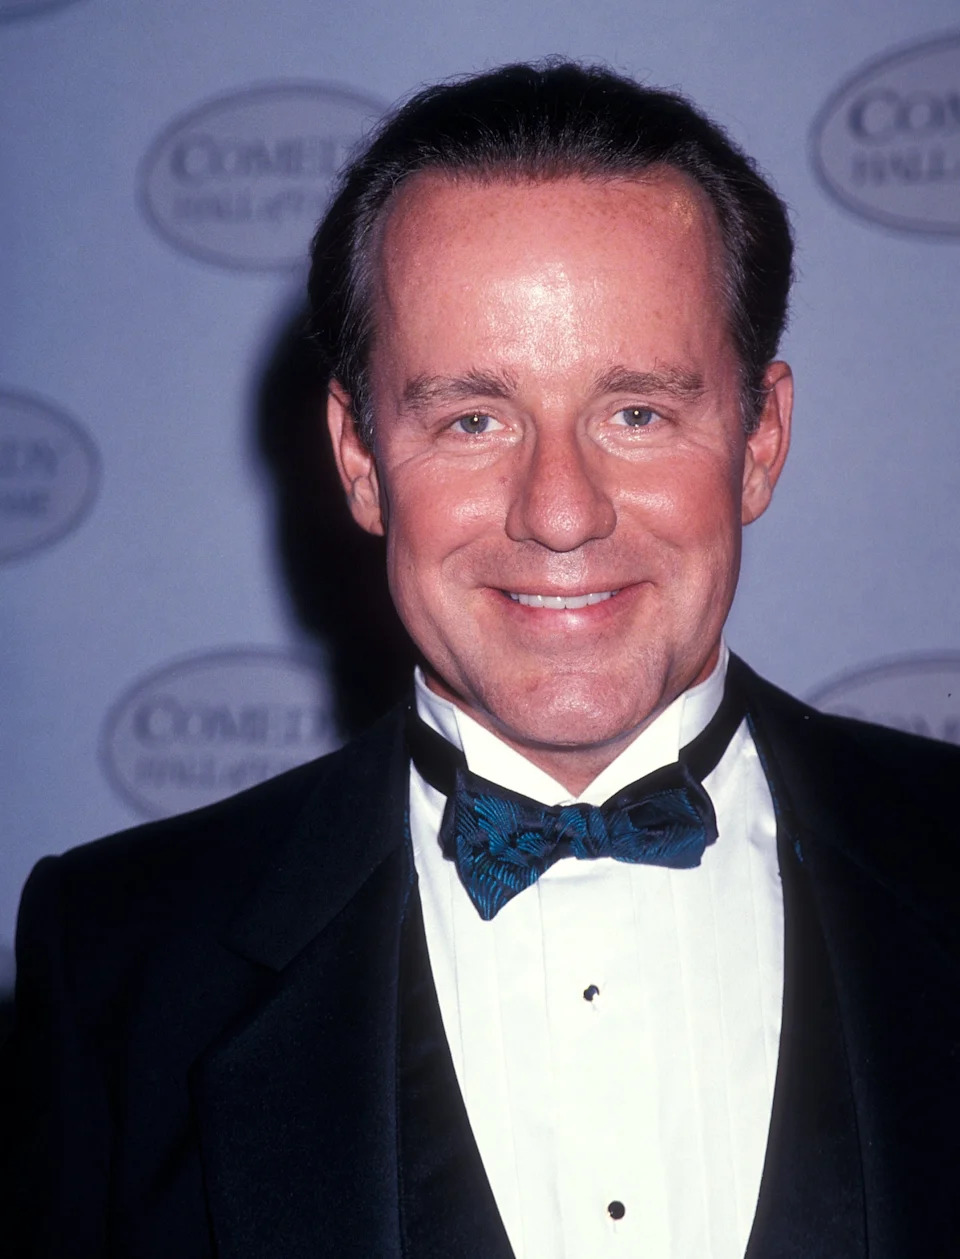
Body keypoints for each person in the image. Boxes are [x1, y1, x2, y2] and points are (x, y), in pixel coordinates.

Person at [3, 61, 958, 1259]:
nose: (559, 512)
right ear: (359, 458)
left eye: (637, 413)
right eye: (472, 418)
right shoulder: (121, 966)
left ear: (760, 440)